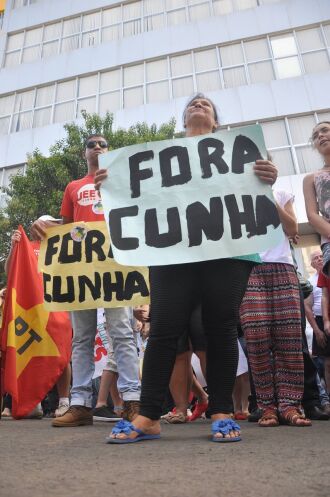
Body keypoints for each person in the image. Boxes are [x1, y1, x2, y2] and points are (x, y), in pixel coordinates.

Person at [95, 93, 278, 443]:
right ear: (183, 120)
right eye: (193, 103)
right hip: (172, 254)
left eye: (206, 104)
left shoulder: (240, 153)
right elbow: (133, 198)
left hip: (227, 250)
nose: (199, 105)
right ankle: (149, 415)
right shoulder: (156, 162)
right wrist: (112, 185)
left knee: (221, 326)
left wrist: (268, 174)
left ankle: (221, 411)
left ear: (216, 122)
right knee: (164, 328)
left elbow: (257, 192)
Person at [31, 135, 141, 427]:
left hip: (114, 266)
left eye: (102, 144)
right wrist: (43, 224)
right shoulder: (73, 187)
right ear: (84, 153)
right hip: (81, 270)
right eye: (91, 144)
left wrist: (113, 188)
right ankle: (80, 404)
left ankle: (132, 400)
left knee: (122, 332)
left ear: (107, 152)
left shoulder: (121, 181)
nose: (97, 147)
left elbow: (136, 213)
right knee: (82, 337)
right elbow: (66, 227)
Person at [240, 190, 311, 427]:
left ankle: (291, 405)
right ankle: (266, 407)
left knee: (289, 337)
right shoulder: (232, 193)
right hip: (247, 268)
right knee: (256, 337)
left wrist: (268, 197)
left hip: (281, 265)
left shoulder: (279, 193)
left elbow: (292, 229)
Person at [303, 122, 330, 276]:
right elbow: (312, 215)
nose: (320, 136)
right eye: (315, 136)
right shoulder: (311, 178)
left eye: (325, 130)